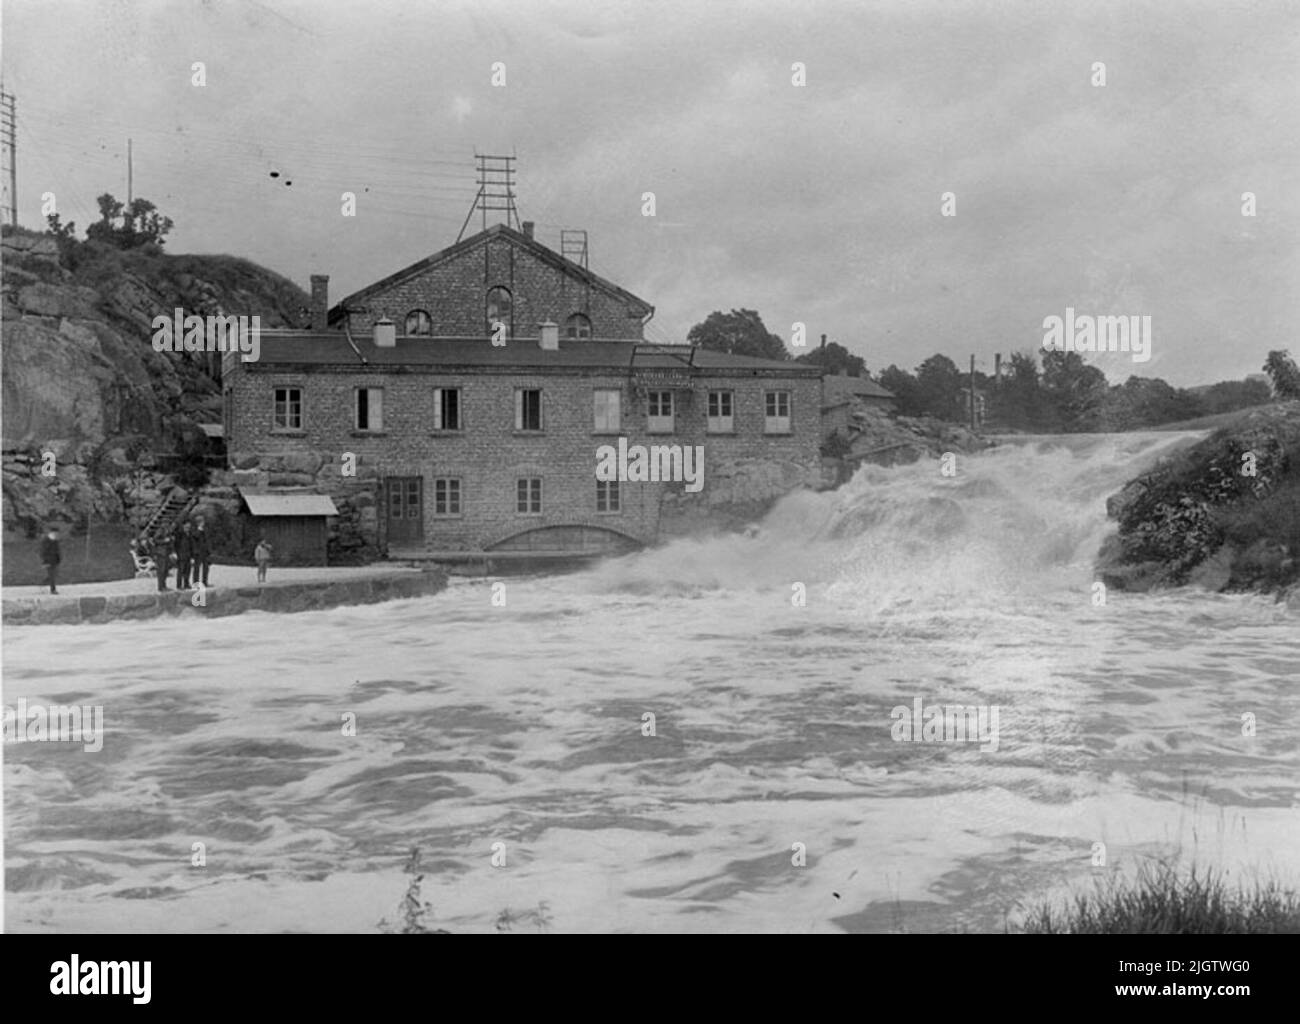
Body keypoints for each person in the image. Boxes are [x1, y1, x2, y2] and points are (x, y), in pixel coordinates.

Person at [38, 525, 61, 595]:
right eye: (56, 533)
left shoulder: (55, 540)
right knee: (52, 575)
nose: (57, 535)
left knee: (53, 575)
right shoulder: (46, 540)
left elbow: (57, 551)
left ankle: (43, 584)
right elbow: (43, 551)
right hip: (48, 561)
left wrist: (58, 559)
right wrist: (45, 561)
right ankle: (53, 590)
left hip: (54, 560)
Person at [192, 516, 212, 587]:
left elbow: (207, 540)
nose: (203, 523)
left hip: (205, 552)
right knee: (197, 568)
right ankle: (196, 583)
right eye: (202, 521)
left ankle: (205, 582)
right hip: (198, 552)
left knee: (206, 568)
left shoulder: (205, 530)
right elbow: (195, 536)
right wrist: (199, 529)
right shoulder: (195, 530)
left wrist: (209, 550)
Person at [175, 521, 194, 590]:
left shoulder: (190, 534)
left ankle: (186, 583)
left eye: (189, 526)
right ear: (184, 526)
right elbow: (176, 544)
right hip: (181, 554)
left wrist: (192, 556)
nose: (188, 527)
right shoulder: (179, 534)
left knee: (187, 570)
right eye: (187, 526)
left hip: (188, 554)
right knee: (181, 570)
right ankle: (179, 585)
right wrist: (177, 553)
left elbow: (191, 545)